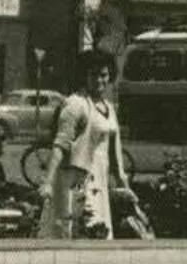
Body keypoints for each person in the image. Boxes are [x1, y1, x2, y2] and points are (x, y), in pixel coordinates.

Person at [38, 50, 137, 238]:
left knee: (97, 232)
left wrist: (125, 187)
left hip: (98, 181)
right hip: (74, 183)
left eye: (104, 75)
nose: (99, 80)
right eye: (93, 75)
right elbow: (60, 144)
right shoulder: (75, 104)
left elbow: (114, 156)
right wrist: (48, 182)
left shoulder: (109, 108)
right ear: (84, 75)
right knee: (71, 232)